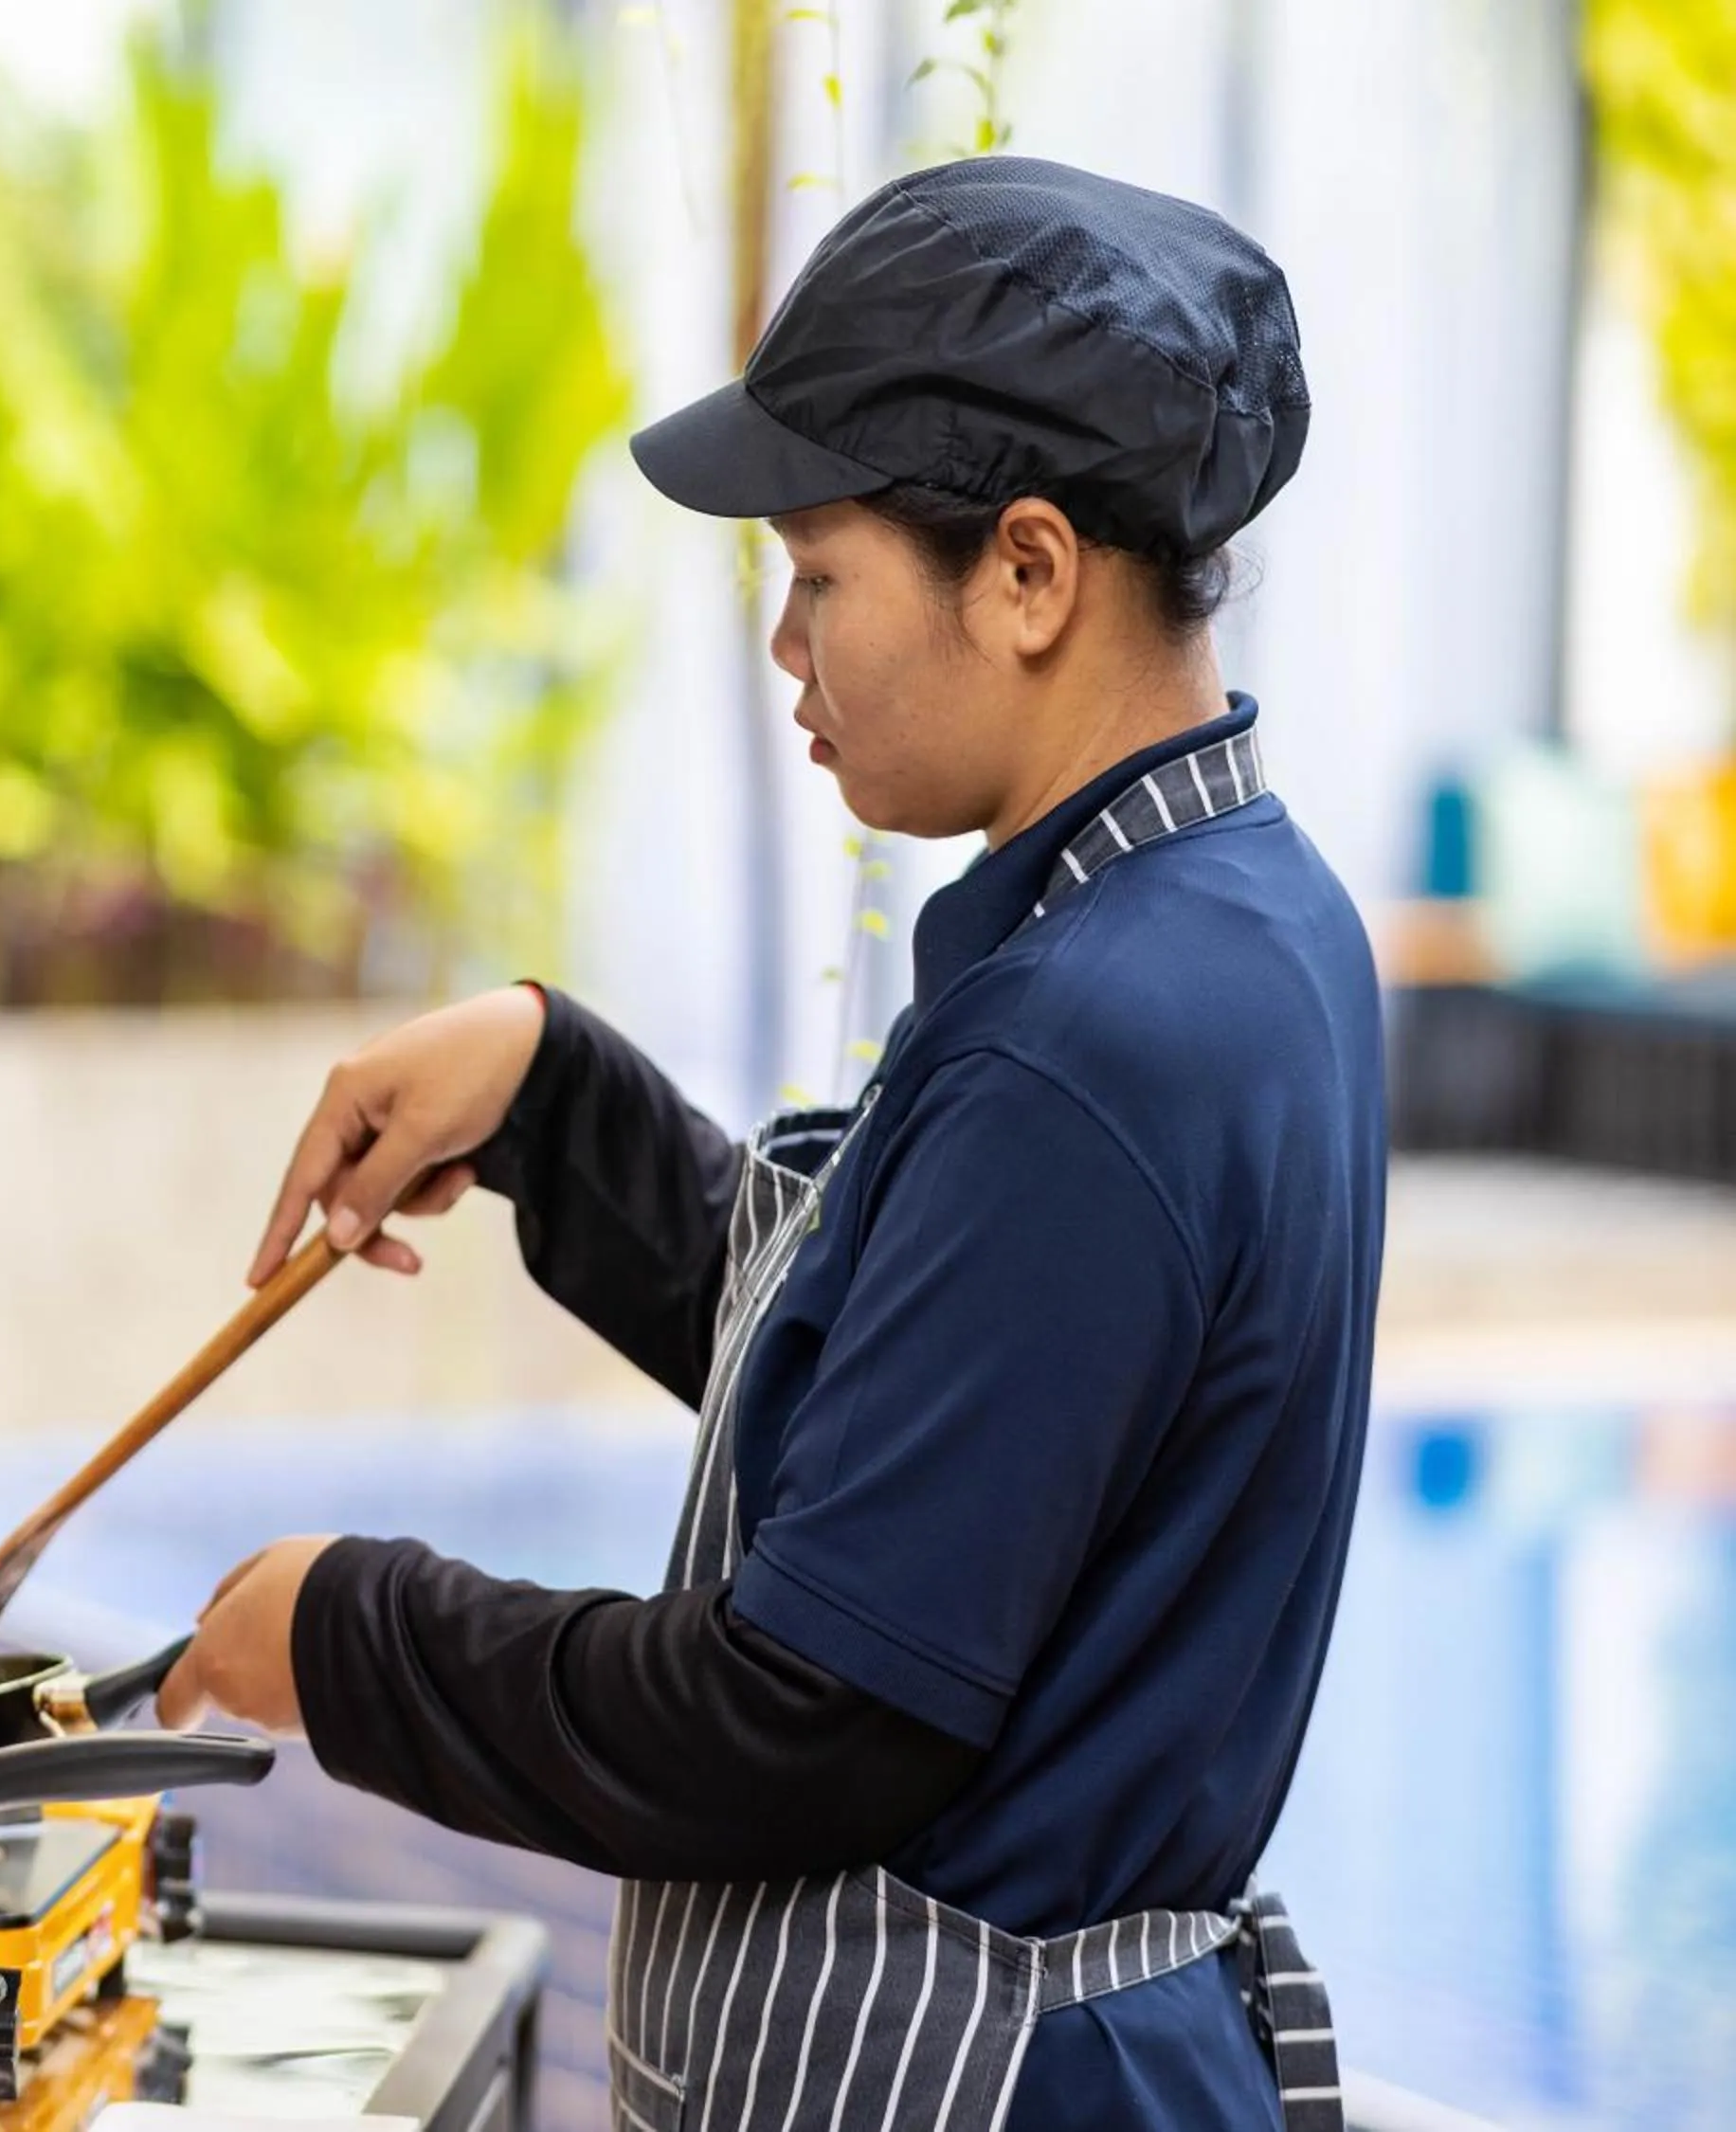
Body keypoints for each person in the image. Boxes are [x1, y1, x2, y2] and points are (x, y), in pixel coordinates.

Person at [154, 155, 1382, 2132]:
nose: (787, 649)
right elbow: (935, 1397)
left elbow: (798, 1713)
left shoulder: (1096, 1040)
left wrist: (345, 1629)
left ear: (1033, 573)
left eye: (819, 579)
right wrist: (559, 1091)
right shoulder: (1235, 919)